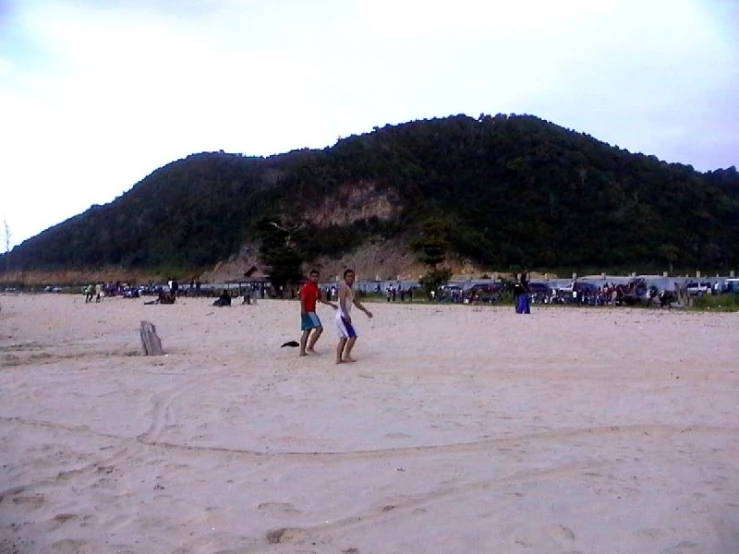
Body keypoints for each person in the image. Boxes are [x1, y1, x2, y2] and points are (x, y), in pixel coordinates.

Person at [335, 269, 373, 364]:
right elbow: (342, 302)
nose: (351, 278)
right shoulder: (344, 288)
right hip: (342, 316)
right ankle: (346, 355)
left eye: (352, 276)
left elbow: (356, 302)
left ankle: (338, 359)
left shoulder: (351, 289)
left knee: (343, 338)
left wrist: (365, 311)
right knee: (353, 335)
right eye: (348, 276)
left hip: (341, 316)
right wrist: (346, 315)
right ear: (345, 278)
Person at [299, 269, 336, 356]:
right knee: (317, 329)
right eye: (313, 276)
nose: (314, 278)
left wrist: (330, 304)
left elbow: (321, 298)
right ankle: (308, 348)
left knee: (307, 330)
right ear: (310, 277)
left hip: (311, 311)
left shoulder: (315, 288)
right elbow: (303, 299)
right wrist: (303, 310)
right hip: (309, 312)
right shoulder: (307, 287)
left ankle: (304, 350)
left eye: (316, 277)